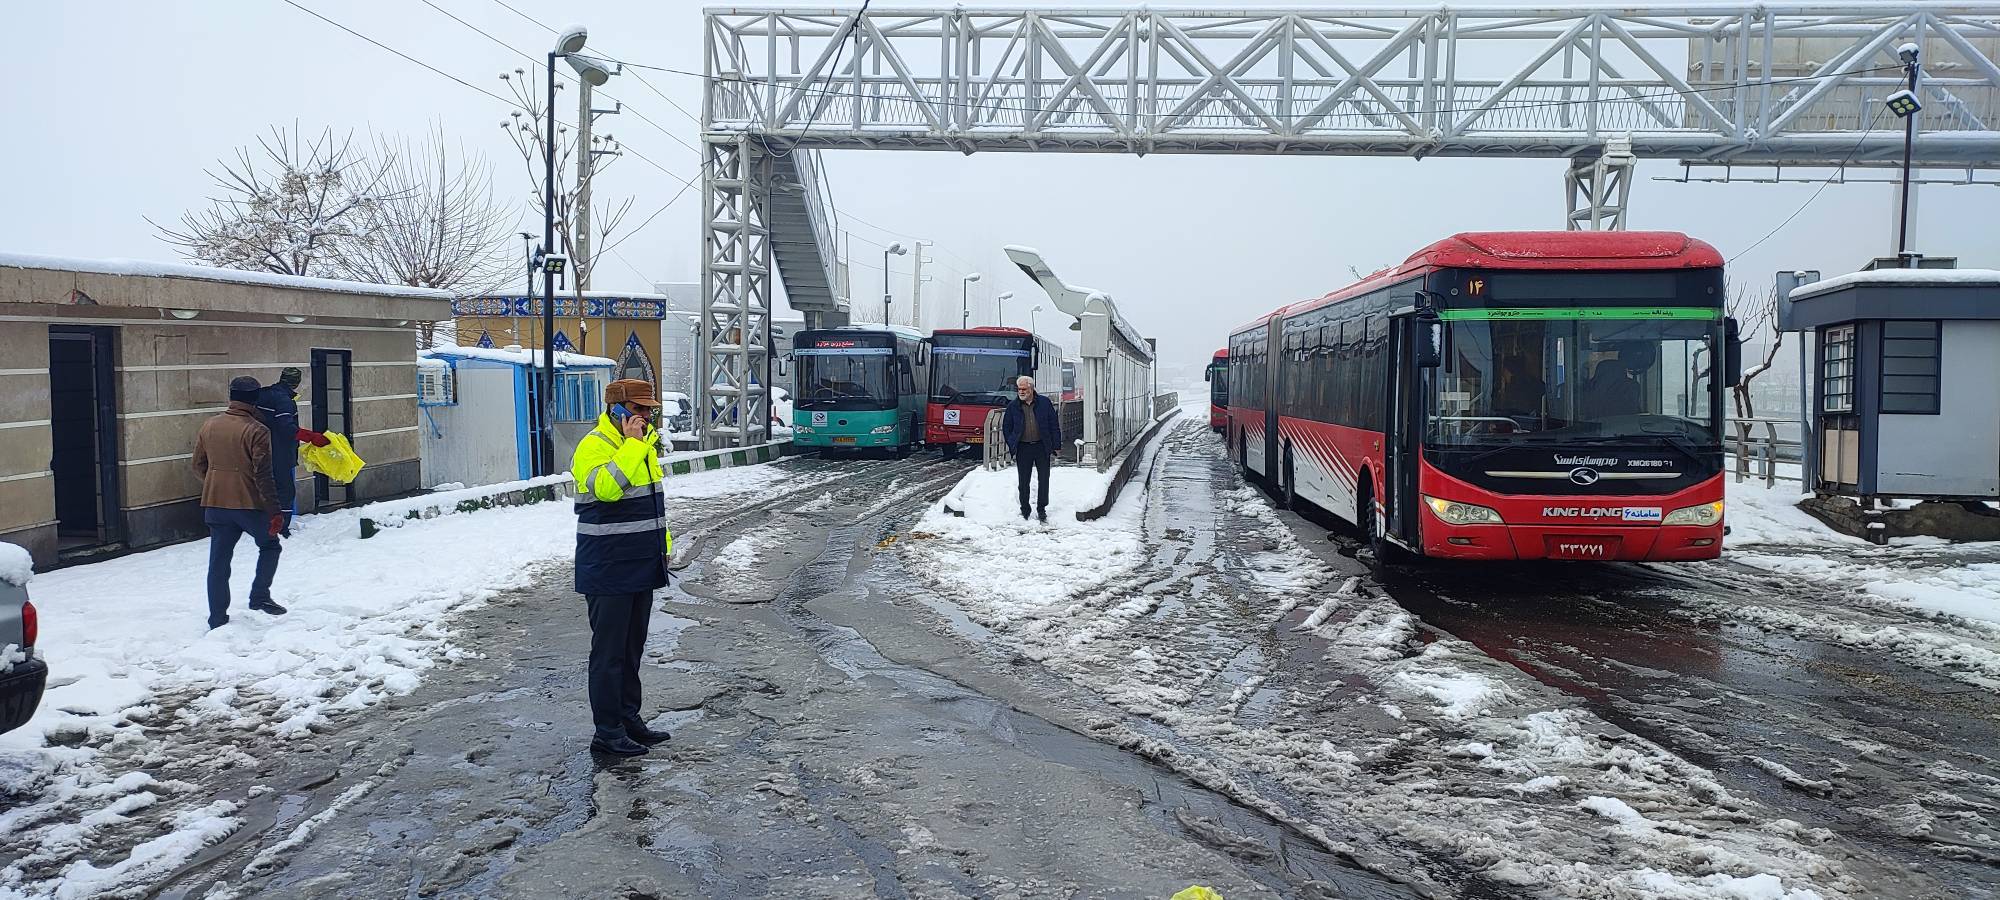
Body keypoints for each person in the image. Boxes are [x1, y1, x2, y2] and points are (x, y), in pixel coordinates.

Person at [569, 378, 676, 757]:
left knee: (632, 650)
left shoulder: (642, 448)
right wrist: (631, 445)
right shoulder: (594, 446)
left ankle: (629, 718)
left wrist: (662, 551)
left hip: (640, 562)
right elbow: (607, 490)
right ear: (616, 410)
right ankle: (607, 731)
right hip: (608, 564)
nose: (646, 417)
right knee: (609, 654)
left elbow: (651, 509)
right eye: (639, 410)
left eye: (650, 410)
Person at [192, 376, 287, 629]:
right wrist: (275, 511)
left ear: (231, 395)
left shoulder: (209, 425)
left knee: (219, 562)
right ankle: (260, 597)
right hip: (249, 504)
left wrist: (216, 482)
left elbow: (198, 465)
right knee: (270, 546)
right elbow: (263, 474)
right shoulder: (257, 430)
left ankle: (217, 618)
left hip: (215, 504)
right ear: (255, 400)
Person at [254, 367, 330, 535]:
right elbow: (286, 428)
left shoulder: (263, 395)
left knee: (267, 489)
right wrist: (312, 437)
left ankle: (264, 523)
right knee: (286, 491)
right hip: (279, 452)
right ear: (296, 383)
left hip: (259, 450)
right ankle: (281, 528)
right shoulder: (284, 401)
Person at [1002, 375, 1062, 523]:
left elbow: (1054, 425)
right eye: (1019, 389)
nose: (1021, 392)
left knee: (1044, 479)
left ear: (1031, 388)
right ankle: (1025, 509)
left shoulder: (1044, 403)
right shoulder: (1013, 406)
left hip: (1041, 446)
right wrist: (1012, 443)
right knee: (1023, 481)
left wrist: (1056, 445)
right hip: (1023, 448)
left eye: (1024, 389)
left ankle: (1041, 509)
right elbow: (1006, 427)